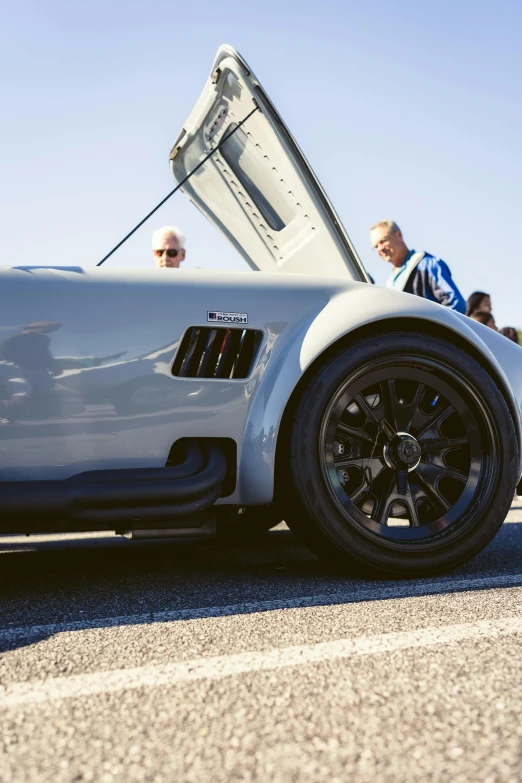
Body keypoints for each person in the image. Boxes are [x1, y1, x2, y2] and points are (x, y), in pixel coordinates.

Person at [370, 220, 466, 313]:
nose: (380, 248)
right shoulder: (390, 283)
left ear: (398, 234)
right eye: (376, 246)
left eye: (383, 241)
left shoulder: (427, 265)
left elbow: (456, 304)